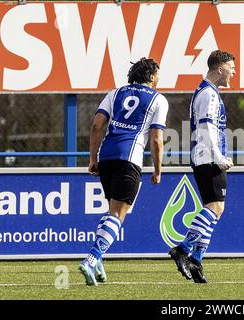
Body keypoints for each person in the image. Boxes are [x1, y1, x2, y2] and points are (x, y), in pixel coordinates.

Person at [79, 57, 168, 286]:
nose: (158, 78)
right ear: (150, 76)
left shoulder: (115, 93)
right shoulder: (158, 99)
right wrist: (158, 170)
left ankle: (98, 261)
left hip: (107, 157)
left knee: (112, 212)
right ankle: (92, 258)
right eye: (157, 74)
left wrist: (93, 159)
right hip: (130, 159)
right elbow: (156, 139)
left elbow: (97, 125)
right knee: (118, 215)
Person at [169, 50, 235, 283]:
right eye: (231, 68)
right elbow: (206, 128)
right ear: (220, 69)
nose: (233, 72)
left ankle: (196, 261)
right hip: (208, 158)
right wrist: (218, 157)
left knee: (215, 208)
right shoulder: (208, 94)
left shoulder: (208, 92)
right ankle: (183, 249)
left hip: (205, 157)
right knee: (215, 208)